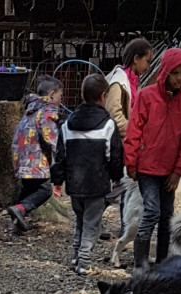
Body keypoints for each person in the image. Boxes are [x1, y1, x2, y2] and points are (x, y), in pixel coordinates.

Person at [124, 48, 181, 272]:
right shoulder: (147, 96)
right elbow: (134, 130)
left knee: (167, 215)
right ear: (165, 71)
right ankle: (140, 263)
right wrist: (131, 162)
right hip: (147, 168)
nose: (180, 78)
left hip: (170, 171)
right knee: (152, 212)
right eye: (176, 73)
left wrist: (178, 171)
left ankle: (163, 261)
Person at [51, 74, 124, 276]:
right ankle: (84, 261)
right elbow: (115, 155)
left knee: (80, 219)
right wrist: (116, 176)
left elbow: (60, 156)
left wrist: (58, 180)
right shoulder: (108, 125)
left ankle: (75, 254)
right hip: (97, 184)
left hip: (74, 185)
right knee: (92, 223)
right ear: (103, 96)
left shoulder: (67, 124)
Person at [104, 37, 153, 236]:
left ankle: (122, 226)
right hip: (121, 142)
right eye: (147, 61)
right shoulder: (119, 82)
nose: (149, 65)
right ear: (136, 59)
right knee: (121, 185)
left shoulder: (133, 81)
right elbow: (114, 113)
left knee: (125, 186)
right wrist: (134, 133)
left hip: (129, 142)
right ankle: (96, 217)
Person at [8, 76, 64, 232]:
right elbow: (50, 136)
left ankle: (16, 220)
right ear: (52, 94)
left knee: (27, 189)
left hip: (20, 157)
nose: (61, 100)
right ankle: (20, 210)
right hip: (35, 159)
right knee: (44, 190)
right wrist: (59, 152)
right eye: (60, 96)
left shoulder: (31, 108)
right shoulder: (48, 109)